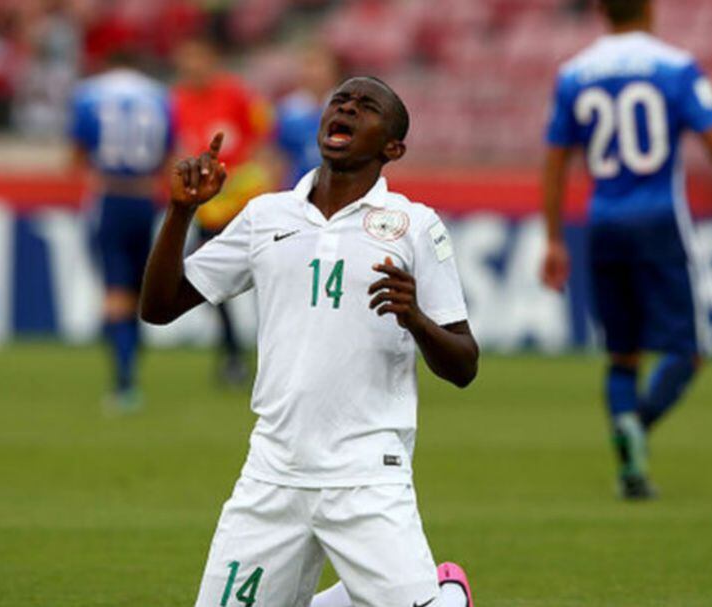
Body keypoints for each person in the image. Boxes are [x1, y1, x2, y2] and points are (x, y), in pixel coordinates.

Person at [141, 76, 478, 607]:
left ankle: (445, 595)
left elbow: (464, 365)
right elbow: (159, 309)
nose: (346, 109)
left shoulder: (414, 225)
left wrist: (416, 320)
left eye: (366, 107)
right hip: (273, 472)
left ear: (392, 148)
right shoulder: (265, 216)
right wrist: (181, 211)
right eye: (339, 101)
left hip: (367, 474)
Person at [539, 0, 712, 499]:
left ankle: (630, 466)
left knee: (622, 356)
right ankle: (636, 425)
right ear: (650, 7)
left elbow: (555, 161)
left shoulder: (574, 74)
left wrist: (552, 237)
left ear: (600, 10)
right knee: (687, 351)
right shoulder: (675, 66)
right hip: (660, 220)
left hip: (604, 223)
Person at [70, 53, 174, 414]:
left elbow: (76, 154)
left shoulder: (89, 93)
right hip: (146, 198)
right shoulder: (160, 95)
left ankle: (124, 381)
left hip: (110, 196)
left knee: (114, 292)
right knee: (137, 287)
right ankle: (130, 364)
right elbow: (169, 152)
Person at [171, 36, 274, 385]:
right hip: (210, 211)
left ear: (211, 59)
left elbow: (263, 137)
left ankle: (271, 356)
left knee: (270, 284)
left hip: (246, 207)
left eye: (196, 59)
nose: (190, 68)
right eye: (185, 61)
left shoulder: (236, 94)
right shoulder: (178, 101)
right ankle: (231, 354)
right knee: (208, 283)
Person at [274, 45, 341, 187]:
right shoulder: (286, 111)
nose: (314, 73)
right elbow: (276, 156)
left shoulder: (348, 109)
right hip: (297, 190)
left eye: (319, 66)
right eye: (309, 65)